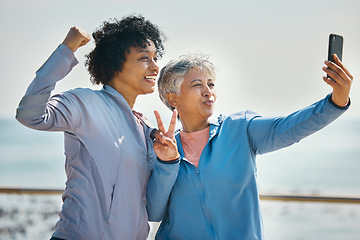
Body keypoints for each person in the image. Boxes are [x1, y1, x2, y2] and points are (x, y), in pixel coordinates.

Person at [152, 52, 353, 239]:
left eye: (211, 84)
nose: (208, 92)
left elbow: (289, 128)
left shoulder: (240, 128)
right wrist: (167, 164)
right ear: (173, 98)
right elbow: (154, 211)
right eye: (197, 84)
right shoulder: (163, 149)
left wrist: (336, 102)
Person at [15, 15, 179, 240]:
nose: (154, 66)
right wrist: (65, 50)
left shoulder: (145, 129)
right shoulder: (84, 103)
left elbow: (153, 209)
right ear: (115, 63)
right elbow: (30, 115)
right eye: (144, 58)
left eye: (155, 58)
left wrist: (168, 163)